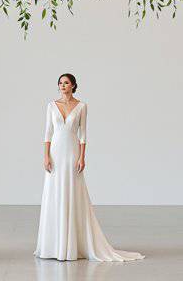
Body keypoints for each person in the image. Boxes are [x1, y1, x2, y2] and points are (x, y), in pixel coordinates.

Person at [35, 73, 144, 262]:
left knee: (72, 192)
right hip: (55, 153)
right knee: (54, 192)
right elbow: (47, 133)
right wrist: (46, 156)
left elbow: (83, 135)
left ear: (73, 85)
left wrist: (82, 157)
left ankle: (72, 245)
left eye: (66, 83)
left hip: (72, 152)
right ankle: (53, 246)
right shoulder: (51, 106)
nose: (62, 86)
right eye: (60, 83)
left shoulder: (81, 106)